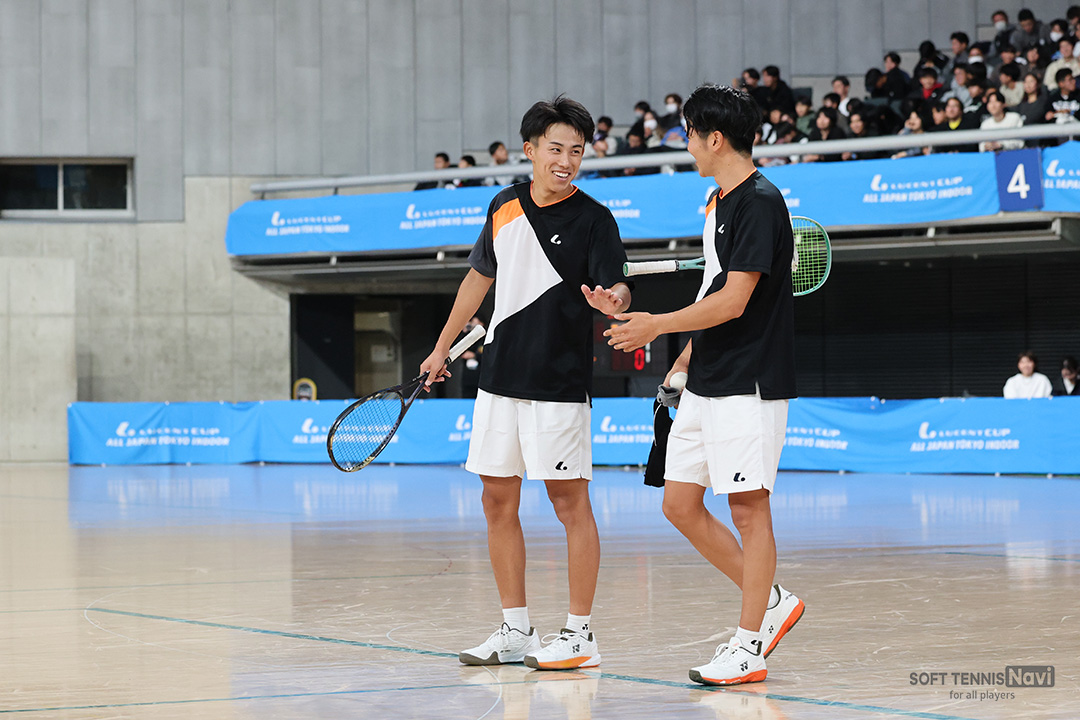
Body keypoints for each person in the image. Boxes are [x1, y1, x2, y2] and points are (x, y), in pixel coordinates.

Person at [420, 95, 632, 671]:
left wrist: (613, 299)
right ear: (531, 150)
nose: (566, 161)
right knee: (496, 500)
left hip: (558, 382)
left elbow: (619, 287)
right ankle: (515, 629)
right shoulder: (504, 205)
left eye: (576, 152)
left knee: (569, 503)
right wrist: (442, 346)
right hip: (498, 379)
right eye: (556, 149)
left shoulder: (595, 219)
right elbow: (477, 280)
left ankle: (580, 634)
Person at [604, 82, 803, 687]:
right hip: (707, 376)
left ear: (716, 139)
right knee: (679, 503)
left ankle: (749, 646)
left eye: (690, 134)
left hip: (749, 380)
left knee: (748, 508)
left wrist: (657, 326)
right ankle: (771, 602)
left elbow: (737, 300)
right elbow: (713, 286)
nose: (686, 145)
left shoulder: (760, 202)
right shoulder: (717, 203)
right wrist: (685, 355)